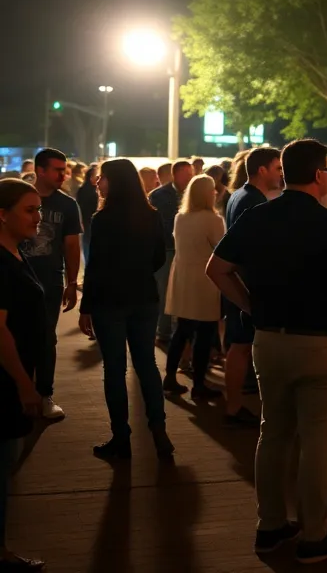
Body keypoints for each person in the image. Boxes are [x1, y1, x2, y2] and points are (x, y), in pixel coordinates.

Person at [207, 139, 327, 563]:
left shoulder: (257, 215)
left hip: (269, 340)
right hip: (321, 341)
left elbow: (217, 269)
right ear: (319, 175)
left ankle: (270, 525)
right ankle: (314, 535)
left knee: (274, 433)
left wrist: (251, 306)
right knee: (318, 442)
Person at [80, 159, 173, 461]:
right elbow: (159, 256)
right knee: (147, 364)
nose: (98, 183)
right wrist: (139, 272)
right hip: (144, 297)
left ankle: (121, 437)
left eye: (102, 178)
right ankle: (159, 430)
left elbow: (95, 266)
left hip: (110, 301)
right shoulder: (151, 215)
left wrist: (86, 307)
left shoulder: (103, 219)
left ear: (116, 181)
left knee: (115, 369)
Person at [0, 179, 47, 572]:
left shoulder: (16, 253)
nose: (38, 218)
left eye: (38, 209)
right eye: (29, 210)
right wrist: (24, 384)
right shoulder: (1, 263)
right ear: (2, 214)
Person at [221, 146, 281, 428]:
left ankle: (234, 405)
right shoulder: (253, 201)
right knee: (241, 346)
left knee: (240, 346)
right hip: (247, 285)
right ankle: (233, 407)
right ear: (262, 170)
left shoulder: (239, 195)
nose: (281, 174)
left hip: (240, 282)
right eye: (277, 168)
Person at [21, 149, 80, 423]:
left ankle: (45, 394)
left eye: (64, 170)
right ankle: (21, 392)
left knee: (46, 338)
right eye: (57, 170)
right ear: (40, 170)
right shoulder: (18, 196)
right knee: (17, 337)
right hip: (17, 278)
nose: (62, 175)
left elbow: (71, 245)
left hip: (49, 280)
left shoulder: (67, 205)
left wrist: (72, 282)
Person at [163, 174, 226, 401]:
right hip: (204, 279)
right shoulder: (213, 219)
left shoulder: (180, 217)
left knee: (182, 330)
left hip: (183, 276)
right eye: (212, 190)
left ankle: (170, 377)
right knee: (205, 332)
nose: (215, 193)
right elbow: (222, 248)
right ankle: (199, 385)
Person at [149, 160, 193, 345]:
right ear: (176, 174)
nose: (190, 177)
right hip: (167, 249)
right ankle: (163, 331)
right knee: (165, 290)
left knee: (183, 292)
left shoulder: (191, 193)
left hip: (185, 250)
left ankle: (178, 331)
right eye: (187, 174)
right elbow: (161, 225)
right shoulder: (159, 195)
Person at [77, 164, 99, 264]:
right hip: (88, 222)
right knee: (88, 245)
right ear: (90, 177)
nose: (98, 179)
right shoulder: (87, 191)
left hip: (88, 222)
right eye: (96, 176)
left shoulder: (84, 190)